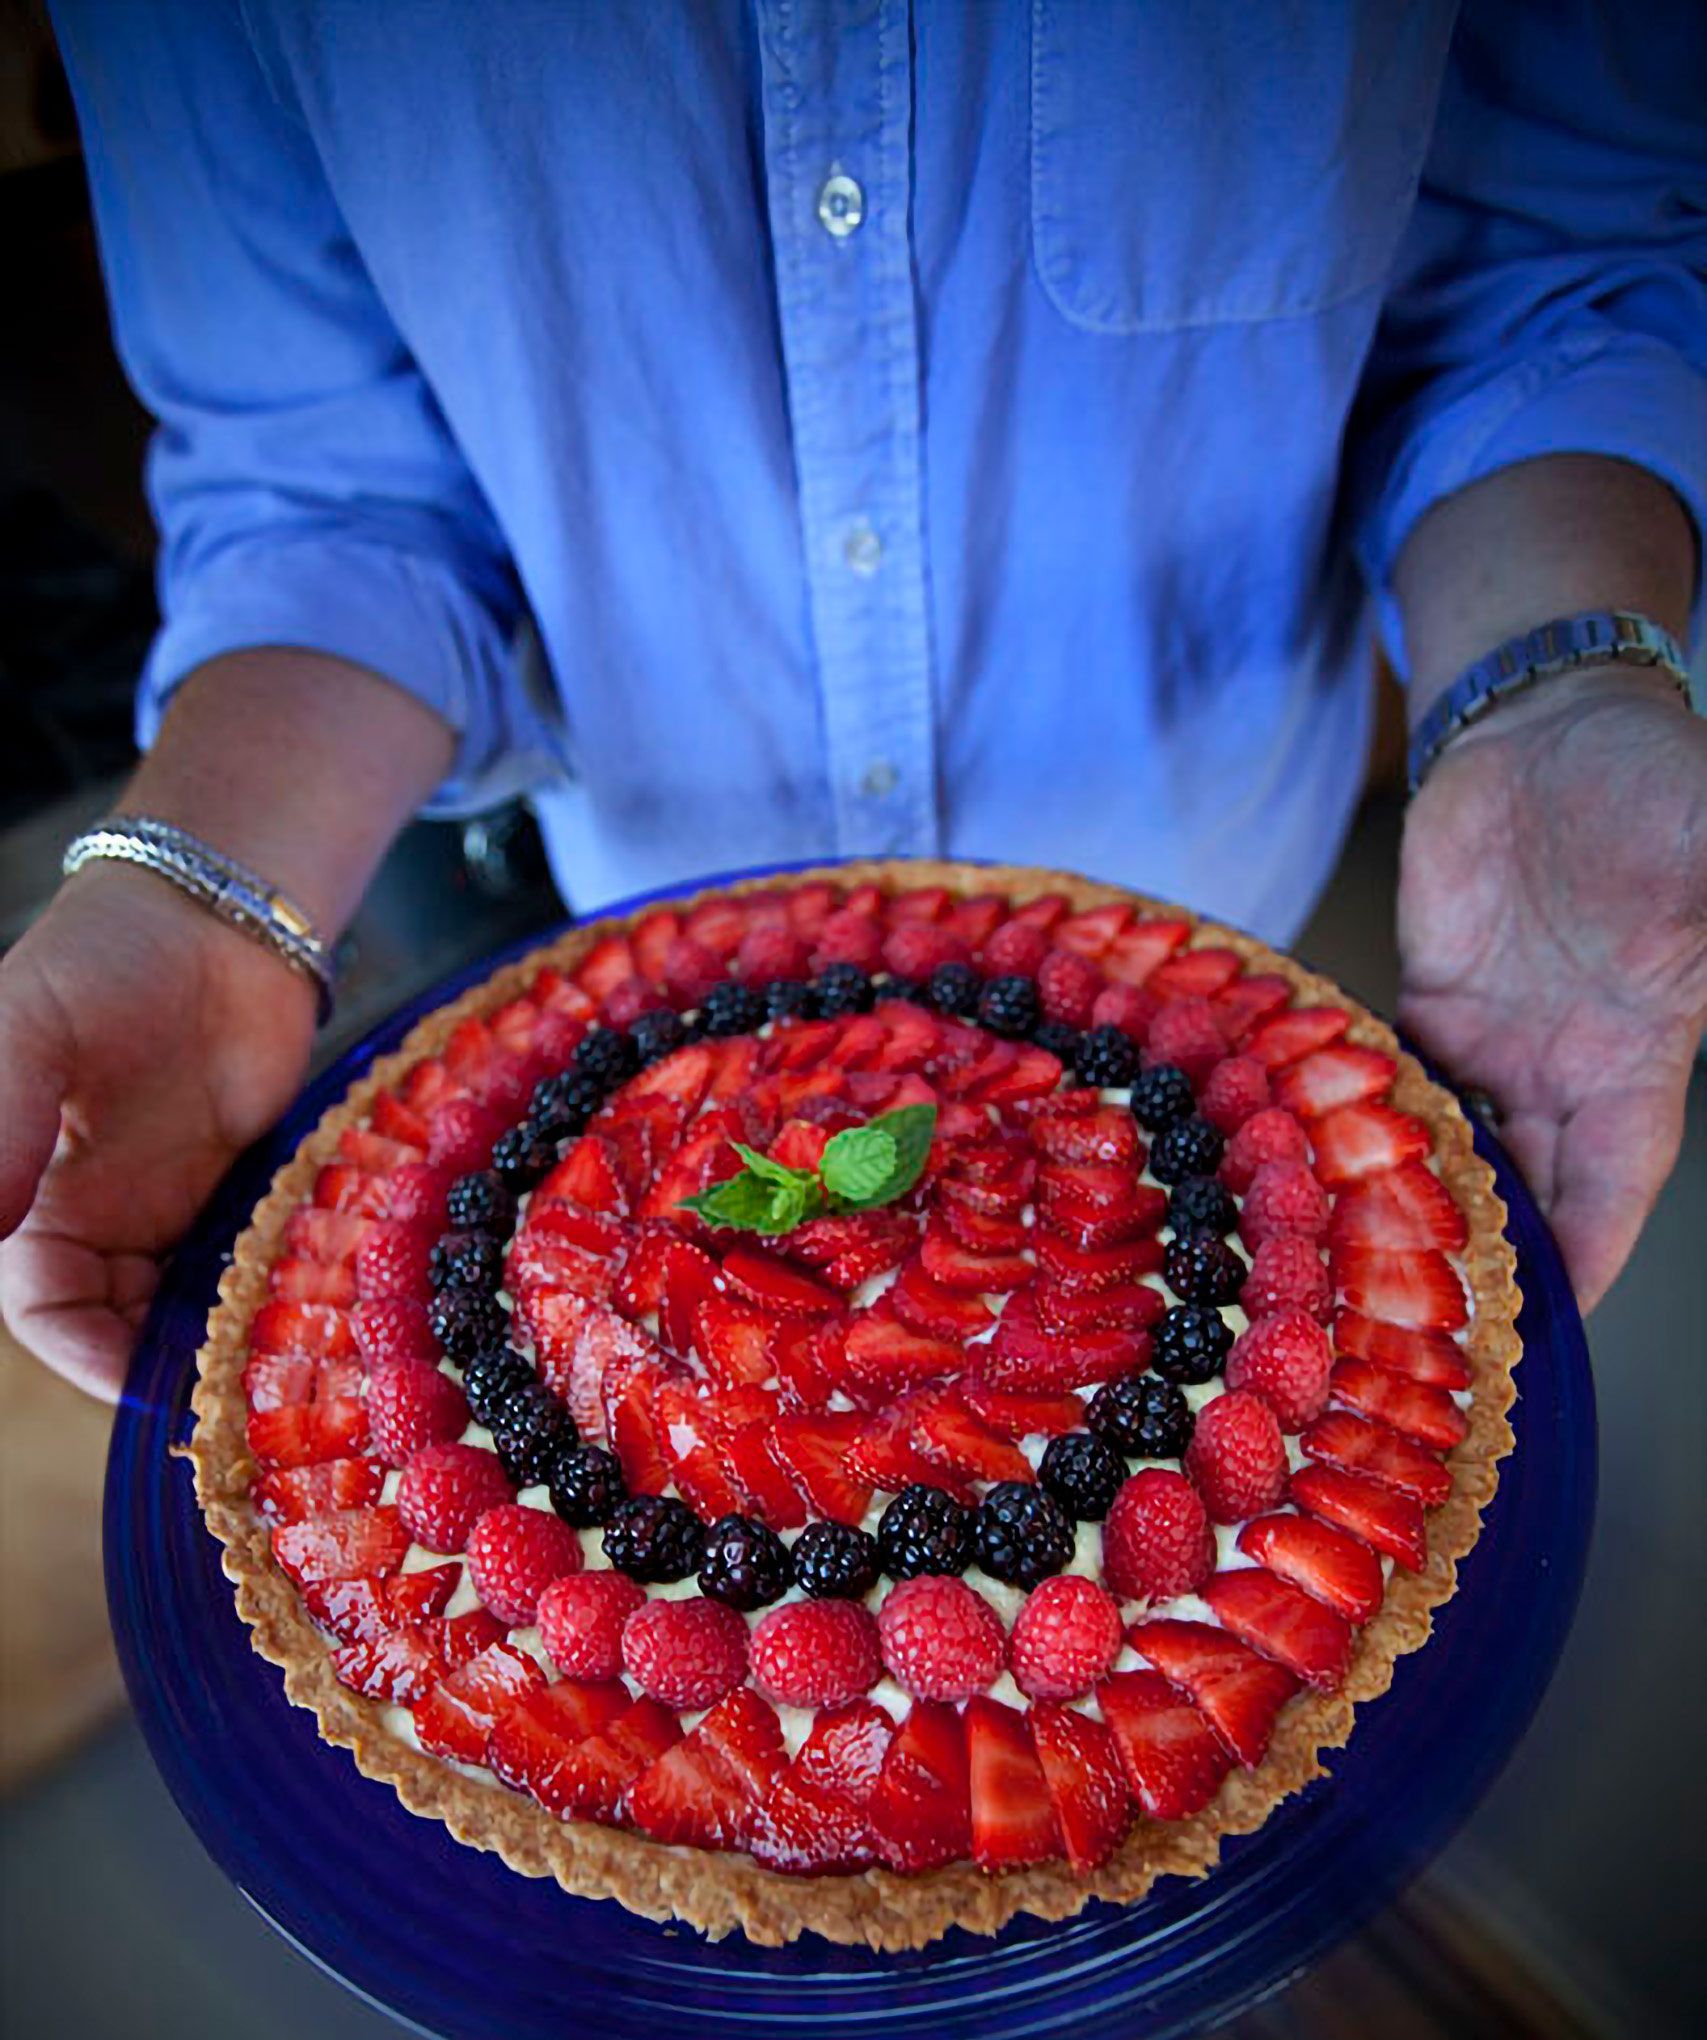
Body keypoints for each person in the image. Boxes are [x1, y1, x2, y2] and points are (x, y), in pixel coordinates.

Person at [4, 1, 1704, 1399]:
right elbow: (335, 504)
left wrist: (1555, 693)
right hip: (659, 1001)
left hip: (1209, 943)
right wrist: (196, 883)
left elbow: (1550, 279)